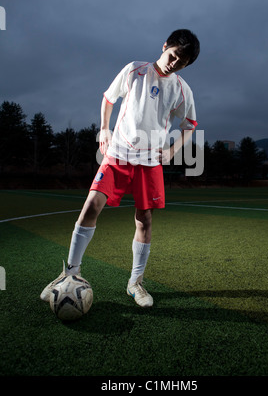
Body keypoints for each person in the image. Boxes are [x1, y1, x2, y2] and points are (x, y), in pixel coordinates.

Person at [40, 29, 200, 308]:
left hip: (150, 160)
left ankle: (135, 283)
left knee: (144, 220)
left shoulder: (182, 90)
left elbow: (189, 126)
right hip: (118, 153)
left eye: (182, 63)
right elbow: (109, 98)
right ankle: (70, 274)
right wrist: (104, 129)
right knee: (91, 205)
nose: (175, 64)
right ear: (165, 46)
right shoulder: (134, 70)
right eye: (174, 56)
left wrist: (172, 150)